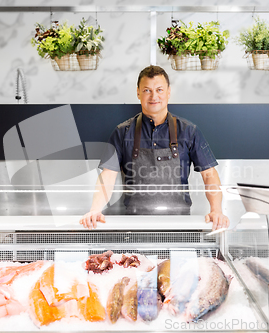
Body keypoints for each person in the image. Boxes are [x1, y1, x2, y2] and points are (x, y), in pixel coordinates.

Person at [79, 65, 229, 230]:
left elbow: (209, 174)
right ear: (138, 93)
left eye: (159, 89)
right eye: (147, 90)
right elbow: (107, 176)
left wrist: (216, 210)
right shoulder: (122, 132)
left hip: (180, 227)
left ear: (168, 92)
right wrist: (95, 210)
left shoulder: (189, 130)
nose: (154, 96)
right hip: (133, 227)